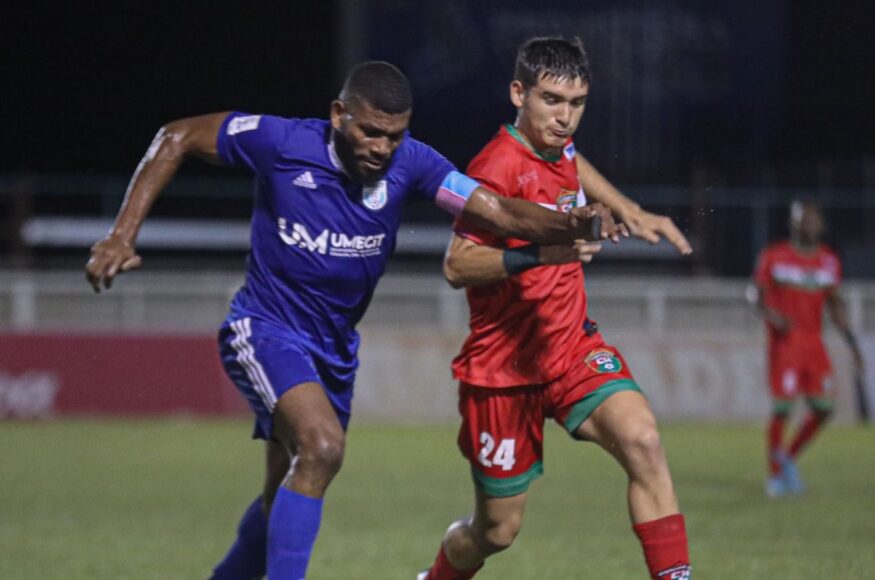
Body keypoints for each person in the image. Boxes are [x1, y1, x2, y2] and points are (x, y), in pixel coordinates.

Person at [85, 61, 617, 580]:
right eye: (371, 132)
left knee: (282, 491)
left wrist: (569, 223)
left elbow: (496, 210)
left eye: (394, 136)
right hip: (266, 329)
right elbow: (176, 136)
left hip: (334, 351)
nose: (382, 148)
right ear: (339, 114)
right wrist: (121, 235)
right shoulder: (281, 142)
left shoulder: (414, 162)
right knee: (321, 449)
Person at [419, 37, 693, 580]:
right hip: (503, 370)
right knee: (496, 531)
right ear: (518, 93)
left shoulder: (557, 144)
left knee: (643, 440)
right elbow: (457, 264)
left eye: (577, 103)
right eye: (551, 100)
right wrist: (544, 253)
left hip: (570, 349)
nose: (565, 118)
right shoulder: (495, 167)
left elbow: (572, 160)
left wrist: (627, 208)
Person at [748, 199, 864, 498]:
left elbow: (836, 308)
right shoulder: (774, 256)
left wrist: (853, 345)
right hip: (785, 345)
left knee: (825, 409)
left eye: (815, 220)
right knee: (783, 409)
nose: (811, 225)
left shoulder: (829, 261)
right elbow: (755, 297)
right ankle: (775, 477)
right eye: (805, 220)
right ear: (794, 225)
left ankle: (787, 459)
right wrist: (774, 317)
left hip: (815, 344)